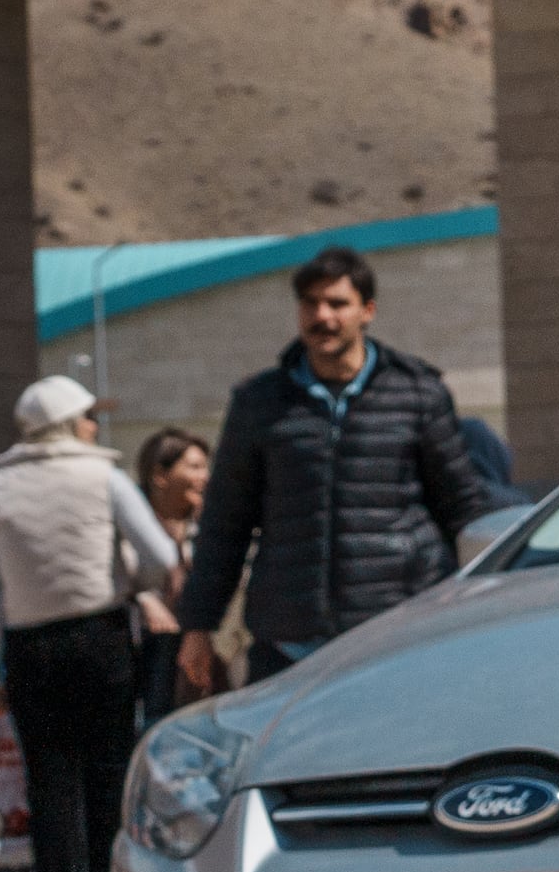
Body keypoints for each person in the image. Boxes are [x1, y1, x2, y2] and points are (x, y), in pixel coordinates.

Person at [172, 248, 496, 692]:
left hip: (396, 634)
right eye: (310, 303)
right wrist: (198, 626)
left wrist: (486, 605)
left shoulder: (417, 393)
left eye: (337, 304)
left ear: (367, 311)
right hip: (289, 641)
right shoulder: (260, 403)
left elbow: (463, 509)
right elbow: (225, 523)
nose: (321, 316)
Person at [0, 374, 183, 872]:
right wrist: (128, 578)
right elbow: (163, 557)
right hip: (101, 637)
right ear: (69, 423)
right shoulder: (102, 477)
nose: (94, 426)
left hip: (30, 647)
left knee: (50, 782)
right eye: (88, 416)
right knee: (109, 774)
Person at [128, 426, 215, 726]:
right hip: (146, 658)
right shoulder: (131, 526)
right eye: (194, 467)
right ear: (160, 475)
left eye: (206, 467)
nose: (204, 477)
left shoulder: (207, 525)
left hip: (206, 659)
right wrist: (144, 598)